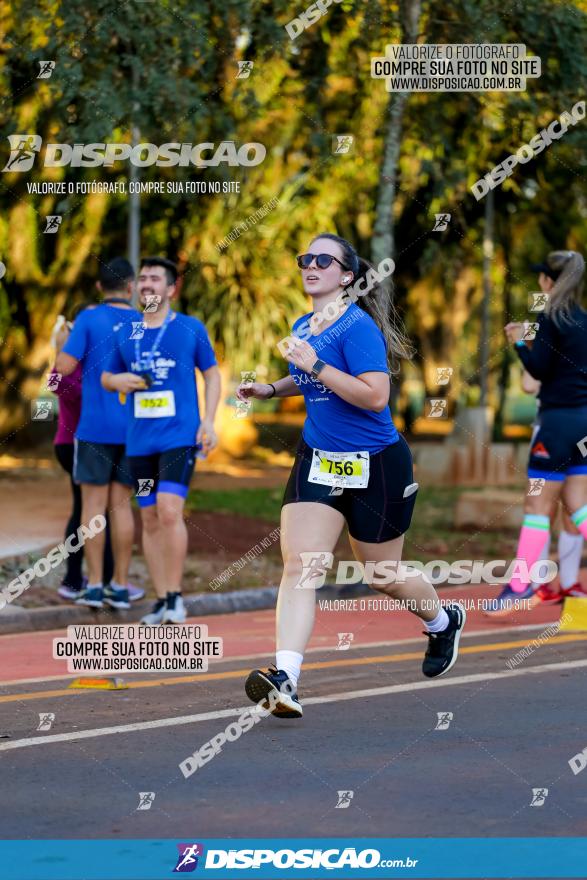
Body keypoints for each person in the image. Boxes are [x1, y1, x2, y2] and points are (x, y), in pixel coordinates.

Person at [238, 233, 466, 719]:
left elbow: (374, 396)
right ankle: (286, 679)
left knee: (382, 575)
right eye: (306, 259)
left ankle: (443, 621)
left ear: (346, 275)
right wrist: (269, 389)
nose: (311, 265)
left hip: (378, 464)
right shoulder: (304, 324)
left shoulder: (356, 326)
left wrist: (314, 364)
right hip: (319, 459)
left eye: (325, 259)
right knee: (303, 564)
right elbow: (309, 381)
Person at [101, 257, 221, 625]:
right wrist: (117, 382)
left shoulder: (189, 328)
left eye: (155, 279)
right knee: (150, 518)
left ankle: (176, 597)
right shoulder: (126, 331)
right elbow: (107, 376)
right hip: (139, 443)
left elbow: (212, 374)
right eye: (142, 279)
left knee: (169, 510)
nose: (147, 285)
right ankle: (161, 598)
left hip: (178, 436)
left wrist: (209, 421)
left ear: (171, 289)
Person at [487, 250, 587, 615]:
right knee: (578, 505)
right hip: (583, 422)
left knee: (536, 505)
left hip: (556, 424)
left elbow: (538, 372)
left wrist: (517, 343)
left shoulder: (550, 318)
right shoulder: (584, 320)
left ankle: (519, 586)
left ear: (549, 281)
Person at [55, 258, 139, 610]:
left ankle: (94, 586)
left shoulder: (88, 318)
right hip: (134, 430)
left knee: (92, 508)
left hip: (93, 428)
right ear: (132, 287)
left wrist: (63, 341)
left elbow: (64, 368)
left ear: (99, 287)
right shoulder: (142, 321)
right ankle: (120, 585)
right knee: (122, 507)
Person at [518, 372, 585, 607]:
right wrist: (525, 343)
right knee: (542, 508)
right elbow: (529, 383)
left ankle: (569, 582)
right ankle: (539, 584)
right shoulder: (544, 341)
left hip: (580, 430)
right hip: (548, 430)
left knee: (574, 507)